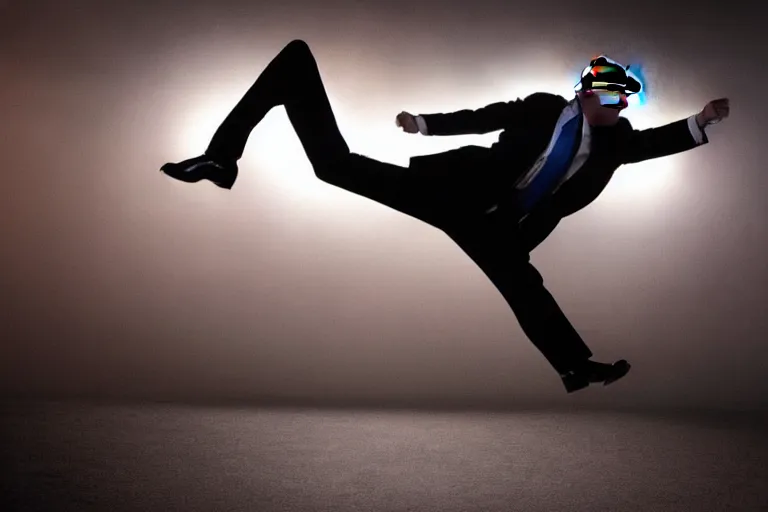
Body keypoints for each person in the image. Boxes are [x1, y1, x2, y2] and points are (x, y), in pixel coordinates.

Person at [160, 40, 730, 393]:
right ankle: (227, 150)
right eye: (614, 99)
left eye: (625, 101)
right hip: (454, 194)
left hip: (498, 226)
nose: (623, 107)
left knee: (523, 286)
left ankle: (576, 369)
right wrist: (426, 123)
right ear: (586, 96)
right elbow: (484, 117)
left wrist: (700, 120)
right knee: (335, 167)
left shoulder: (616, 142)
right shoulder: (538, 109)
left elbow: (656, 140)